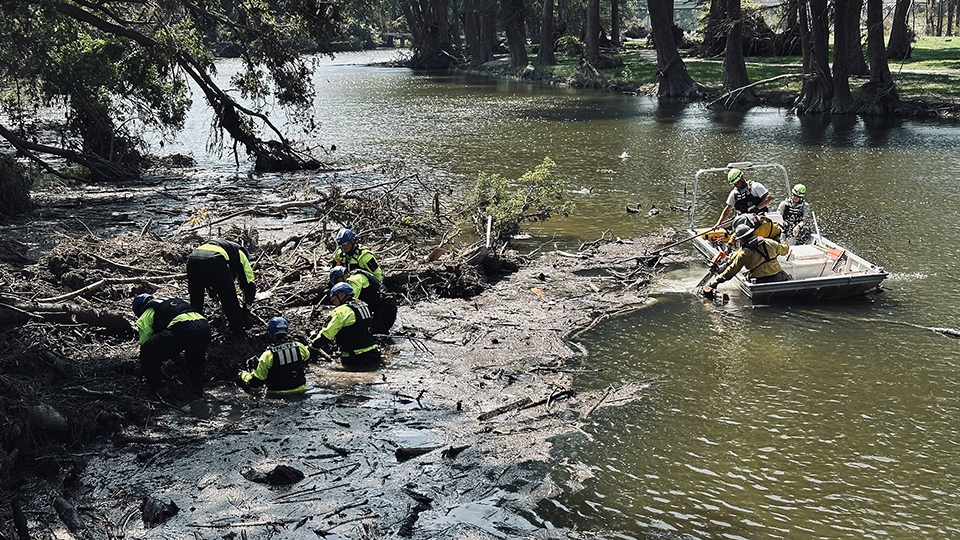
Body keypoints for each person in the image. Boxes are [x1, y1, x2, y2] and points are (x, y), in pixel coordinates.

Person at [133, 294, 211, 397]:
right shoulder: (170, 301)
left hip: (182, 327)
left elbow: (145, 341)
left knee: (147, 351)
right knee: (196, 360)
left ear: (140, 308)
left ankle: (159, 388)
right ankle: (197, 390)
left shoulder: (148, 310)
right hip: (204, 326)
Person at [187, 238, 256, 338]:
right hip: (216, 260)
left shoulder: (220, 247)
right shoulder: (240, 253)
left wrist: (213, 291)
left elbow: (208, 275)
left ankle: (193, 329)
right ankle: (238, 332)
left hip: (193, 259)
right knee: (229, 299)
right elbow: (249, 284)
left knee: (196, 298)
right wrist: (246, 311)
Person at [702, 224, 790, 297]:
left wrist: (716, 281)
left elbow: (731, 271)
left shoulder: (744, 253)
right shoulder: (769, 242)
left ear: (742, 239)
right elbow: (785, 250)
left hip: (760, 281)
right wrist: (782, 240)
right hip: (778, 278)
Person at [310, 282, 381, 371]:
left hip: (356, 360)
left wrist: (312, 347)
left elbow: (326, 335)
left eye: (334, 298)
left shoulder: (341, 311)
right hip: (374, 355)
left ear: (341, 294)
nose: (334, 302)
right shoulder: (363, 305)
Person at [238, 317, 310, 396]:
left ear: (270, 334)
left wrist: (243, 374)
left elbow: (256, 383)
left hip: (277, 397)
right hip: (301, 392)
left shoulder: (268, 355)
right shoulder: (299, 347)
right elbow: (306, 358)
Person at [329, 265, 397, 335]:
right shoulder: (356, 275)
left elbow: (348, 301)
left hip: (385, 307)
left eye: (338, 281)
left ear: (342, 276)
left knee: (377, 334)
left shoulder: (353, 280)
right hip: (384, 306)